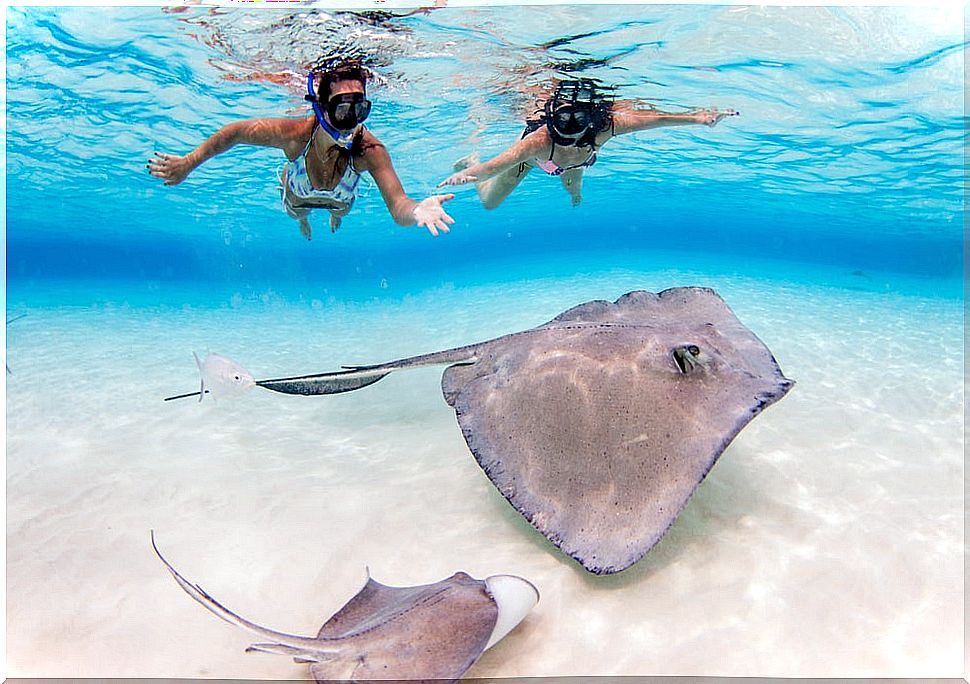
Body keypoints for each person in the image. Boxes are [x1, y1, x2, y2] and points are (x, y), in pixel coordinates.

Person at [148, 60, 455, 240]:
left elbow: (398, 205)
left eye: (360, 110)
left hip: (340, 197)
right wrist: (188, 162)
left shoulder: (369, 150)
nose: (352, 124)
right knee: (297, 210)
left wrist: (416, 210)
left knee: (341, 210)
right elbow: (237, 132)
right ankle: (305, 220)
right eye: (343, 110)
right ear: (321, 109)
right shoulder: (296, 136)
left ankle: (333, 216)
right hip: (299, 192)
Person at [438, 78, 739, 208]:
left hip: (578, 164)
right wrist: (465, 175)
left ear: (591, 120)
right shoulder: (535, 143)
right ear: (549, 118)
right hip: (538, 163)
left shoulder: (606, 127)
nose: (569, 134)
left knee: (574, 189)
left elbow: (656, 119)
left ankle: (573, 195)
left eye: (578, 125)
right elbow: (493, 168)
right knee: (490, 203)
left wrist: (700, 119)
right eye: (561, 126)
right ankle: (469, 157)